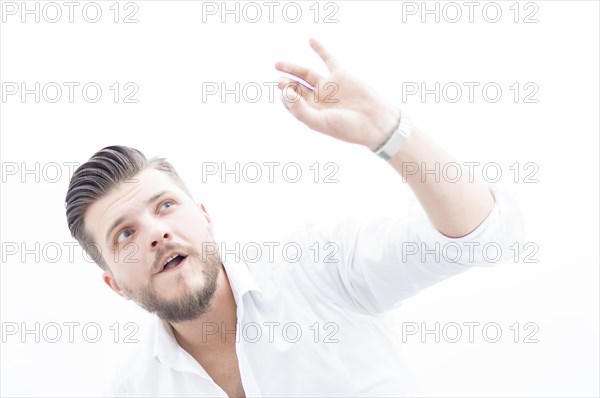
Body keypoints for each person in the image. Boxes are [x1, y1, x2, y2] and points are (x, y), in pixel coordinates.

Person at [65, 39, 525, 397]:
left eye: (165, 205)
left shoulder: (320, 270)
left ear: (204, 216)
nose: (157, 232)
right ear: (115, 286)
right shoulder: (133, 389)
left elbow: (481, 238)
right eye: (124, 233)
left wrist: (390, 133)